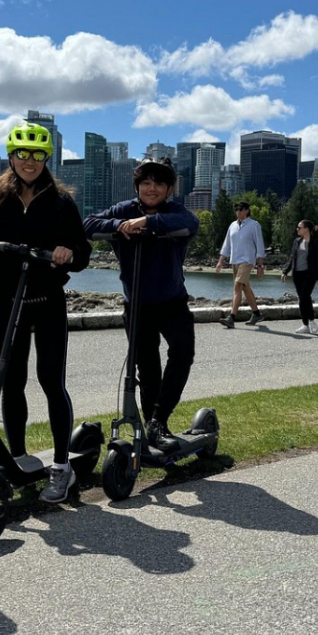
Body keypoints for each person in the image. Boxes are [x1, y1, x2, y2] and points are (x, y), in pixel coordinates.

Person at [0, 122, 91, 503]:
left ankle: (61, 467)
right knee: (10, 381)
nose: (30, 161)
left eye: (37, 155)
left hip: (47, 301)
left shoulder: (61, 202)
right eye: (23, 154)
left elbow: (83, 252)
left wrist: (68, 253)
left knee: (52, 382)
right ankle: (18, 457)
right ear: (11, 157)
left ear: (46, 158)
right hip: (7, 300)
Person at [84, 156, 200, 452]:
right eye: (146, 183)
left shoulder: (175, 211)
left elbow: (190, 223)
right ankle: (153, 428)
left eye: (159, 183)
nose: (152, 188)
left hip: (172, 302)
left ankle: (159, 420)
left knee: (183, 354)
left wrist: (148, 222)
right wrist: (120, 225)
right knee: (147, 369)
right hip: (136, 305)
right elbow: (88, 223)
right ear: (137, 186)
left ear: (169, 189)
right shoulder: (124, 209)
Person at [215, 200, 266, 328]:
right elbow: (226, 245)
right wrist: (220, 261)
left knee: (237, 287)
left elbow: (260, 246)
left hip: (247, 261)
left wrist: (260, 266)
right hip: (235, 260)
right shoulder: (232, 225)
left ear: (247, 210)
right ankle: (257, 313)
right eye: (236, 209)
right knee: (244, 287)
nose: (238, 211)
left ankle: (231, 318)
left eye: (240, 209)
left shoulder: (254, 225)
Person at [280, 219, 318, 335]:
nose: (297, 229)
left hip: (309, 274)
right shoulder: (296, 241)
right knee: (302, 298)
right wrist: (285, 271)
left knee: (305, 295)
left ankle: (312, 321)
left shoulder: (315, 242)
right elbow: (292, 258)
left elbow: (317, 261)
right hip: (297, 274)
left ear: (306, 229)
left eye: (299, 227)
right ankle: (305, 324)